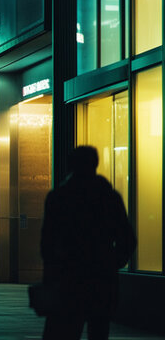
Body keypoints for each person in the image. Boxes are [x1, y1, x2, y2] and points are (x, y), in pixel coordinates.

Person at [40, 146, 136, 340]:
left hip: (68, 275)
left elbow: (47, 241)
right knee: (99, 330)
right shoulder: (109, 197)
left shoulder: (59, 197)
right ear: (95, 164)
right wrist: (113, 261)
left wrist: (52, 271)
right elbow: (127, 237)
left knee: (64, 328)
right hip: (102, 276)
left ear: (70, 166)